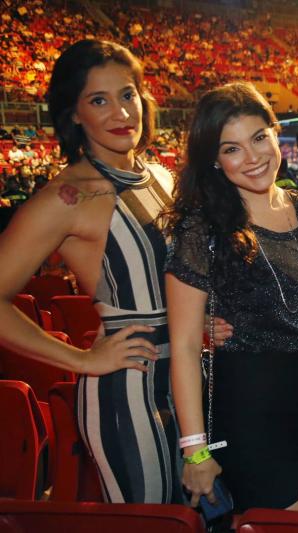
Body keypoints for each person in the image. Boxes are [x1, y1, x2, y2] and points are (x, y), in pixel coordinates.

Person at [0, 39, 205, 504]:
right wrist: (81, 360)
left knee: (197, 517)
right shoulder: (67, 197)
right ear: (74, 114)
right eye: (99, 100)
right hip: (126, 393)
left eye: (127, 94)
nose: (121, 112)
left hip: (189, 381)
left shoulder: (162, 176)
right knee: (151, 523)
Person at [163, 82, 298, 513]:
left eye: (259, 138)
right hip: (248, 405)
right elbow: (184, 345)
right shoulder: (202, 228)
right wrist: (195, 451)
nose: (253, 157)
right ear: (214, 160)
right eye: (232, 149)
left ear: (276, 133)